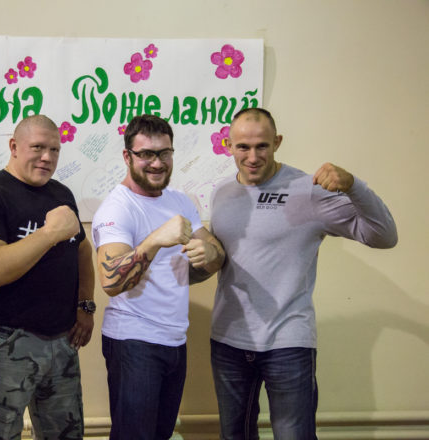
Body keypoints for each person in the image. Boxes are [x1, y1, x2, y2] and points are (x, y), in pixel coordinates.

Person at [209, 108, 398, 439]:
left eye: (262, 146)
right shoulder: (221, 192)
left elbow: (384, 236)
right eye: (243, 147)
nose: (252, 157)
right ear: (228, 146)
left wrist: (354, 186)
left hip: (288, 343)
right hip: (228, 342)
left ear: (277, 142)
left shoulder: (307, 190)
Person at [0, 114, 95, 440]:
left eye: (55, 150)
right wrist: (48, 234)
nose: (47, 157)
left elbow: (82, 252)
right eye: (38, 147)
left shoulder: (61, 194)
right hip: (4, 345)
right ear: (14, 147)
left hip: (62, 342)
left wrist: (85, 305)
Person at [91, 114, 225, 440]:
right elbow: (111, 282)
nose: (157, 162)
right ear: (127, 156)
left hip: (174, 340)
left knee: (161, 435)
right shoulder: (117, 208)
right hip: (133, 341)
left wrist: (210, 255)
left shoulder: (179, 201)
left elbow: (215, 254)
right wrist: (154, 241)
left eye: (164, 153)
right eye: (146, 154)